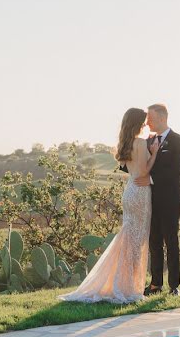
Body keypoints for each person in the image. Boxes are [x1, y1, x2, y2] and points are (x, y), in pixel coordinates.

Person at [59, 107, 157, 303]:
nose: (146, 124)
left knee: (128, 239)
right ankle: (129, 287)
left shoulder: (125, 144)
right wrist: (153, 153)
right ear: (137, 123)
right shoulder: (140, 143)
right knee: (137, 242)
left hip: (130, 192)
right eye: (144, 121)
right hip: (141, 193)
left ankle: (123, 283)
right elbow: (145, 171)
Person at [134, 103, 180, 296]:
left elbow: (175, 170)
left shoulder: (179, 141)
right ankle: (156, 284)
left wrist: (151, 179)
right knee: (154, 242)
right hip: (149, 199)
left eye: (151, 118)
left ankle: (174, 286)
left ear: (162, 119)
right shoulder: (147, 141)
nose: (147, 122)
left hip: (170, 199)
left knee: (170, 241)